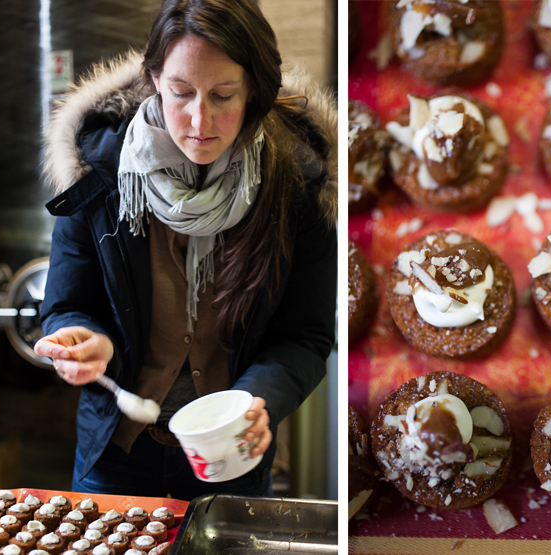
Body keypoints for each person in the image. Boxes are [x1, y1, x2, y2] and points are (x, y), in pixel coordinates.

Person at [34, 0, 337, 500]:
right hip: (117, 455)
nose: (201, 119)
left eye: (223, 95)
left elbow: (304, 335)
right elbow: (67, 305)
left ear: (255, 90)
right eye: (181, 93)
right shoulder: (100, 175)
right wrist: (90, 341)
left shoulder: (298, 185)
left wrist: (258, 398)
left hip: (231, 457)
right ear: (153, 78)